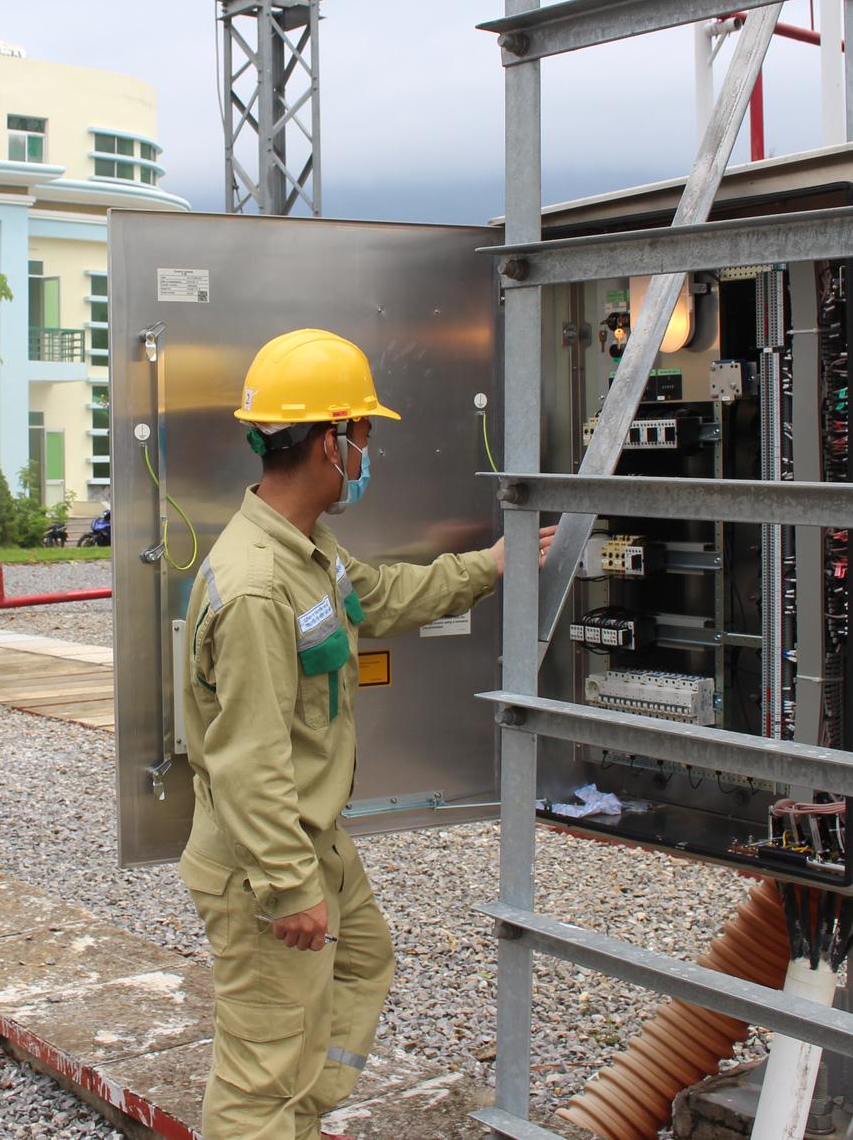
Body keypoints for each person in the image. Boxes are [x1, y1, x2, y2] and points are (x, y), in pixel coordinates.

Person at [179, 328, 554, 1140]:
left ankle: (299, 1121)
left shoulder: (308, 551)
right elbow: (248, 759)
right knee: (260, 1067)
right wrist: (287, 885)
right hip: (265, 852)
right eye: (363, 435)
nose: (368, 451)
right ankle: (273, 1120)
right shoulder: (254, 585)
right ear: (328, 442)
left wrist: (487, 567)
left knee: (360, 963)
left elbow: (376, 598)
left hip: (315, 836)